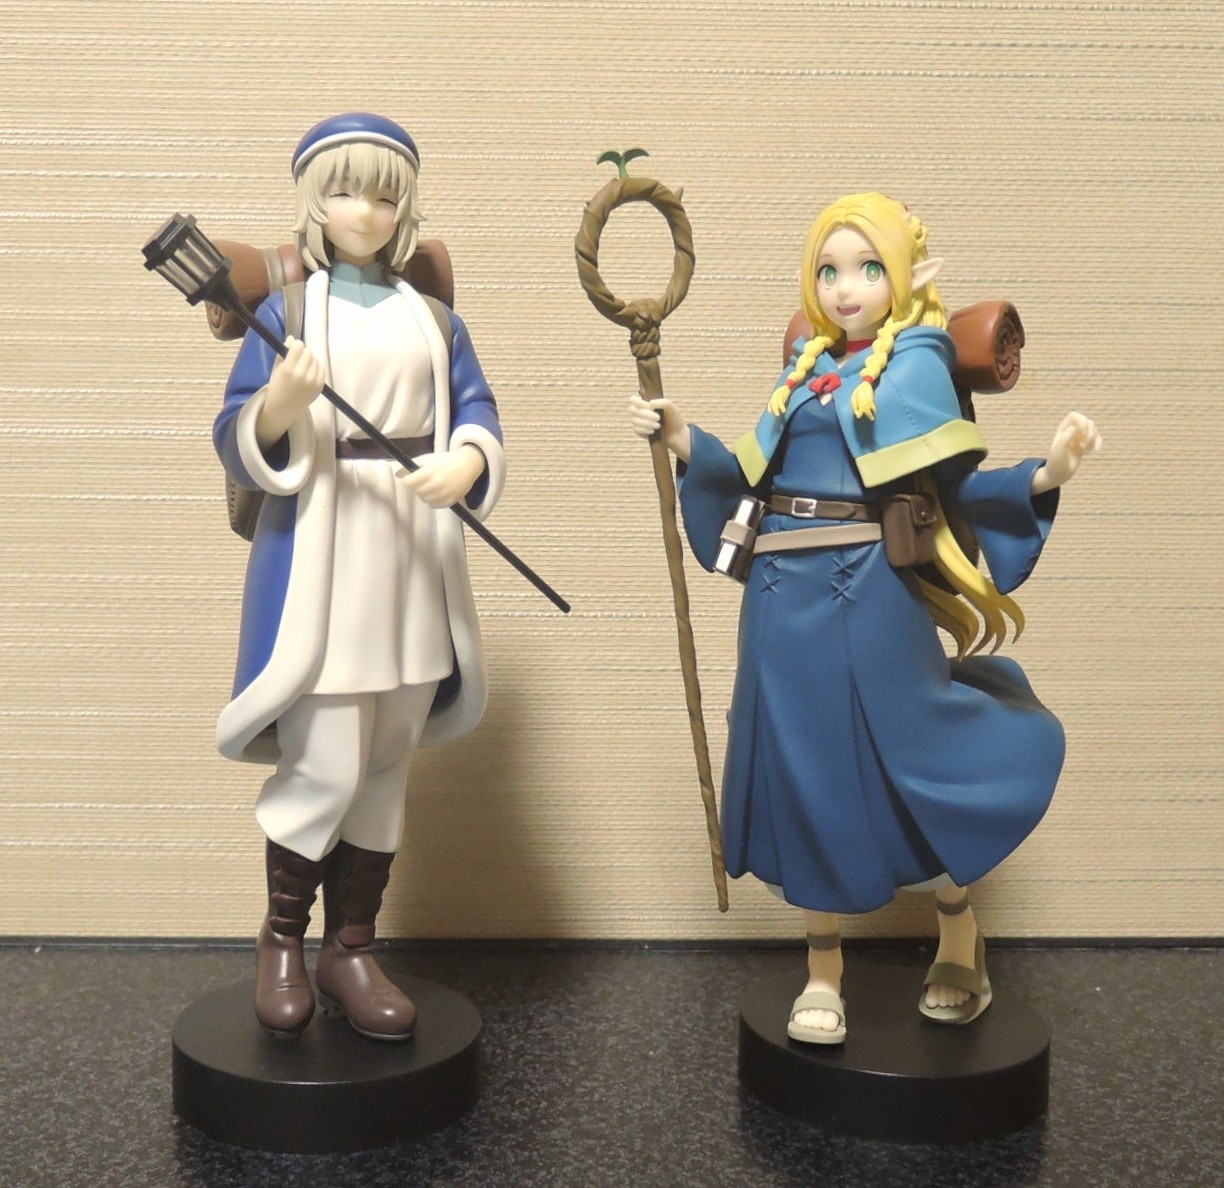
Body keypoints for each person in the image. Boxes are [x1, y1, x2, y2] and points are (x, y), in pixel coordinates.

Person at [630, 192, 1099, 1044]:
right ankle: (823, 970)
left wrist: (1045, 474)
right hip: (782, 593)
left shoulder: (915, 368)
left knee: (907, 757)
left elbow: (956, 488)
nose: (846, 287)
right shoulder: (804, 368)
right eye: (829, 270)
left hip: (872, 589)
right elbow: (752, 475)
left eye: (868, 268)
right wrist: (683, 437)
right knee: (801, 770)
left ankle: (957, 932)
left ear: (907, 275)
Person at [214, 113, 505, 1041]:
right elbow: (235, 429)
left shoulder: (434, 318)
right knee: (327, 761)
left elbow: (477, 408)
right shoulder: (290, 313)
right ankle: (282, 940)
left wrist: (468, 459)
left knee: (385, 764)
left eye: (384, 194)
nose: (366, 211)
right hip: (328, 552)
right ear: (314, 202)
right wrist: (280, 403)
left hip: (415, 556)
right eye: (344, 191)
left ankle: (351, 946)